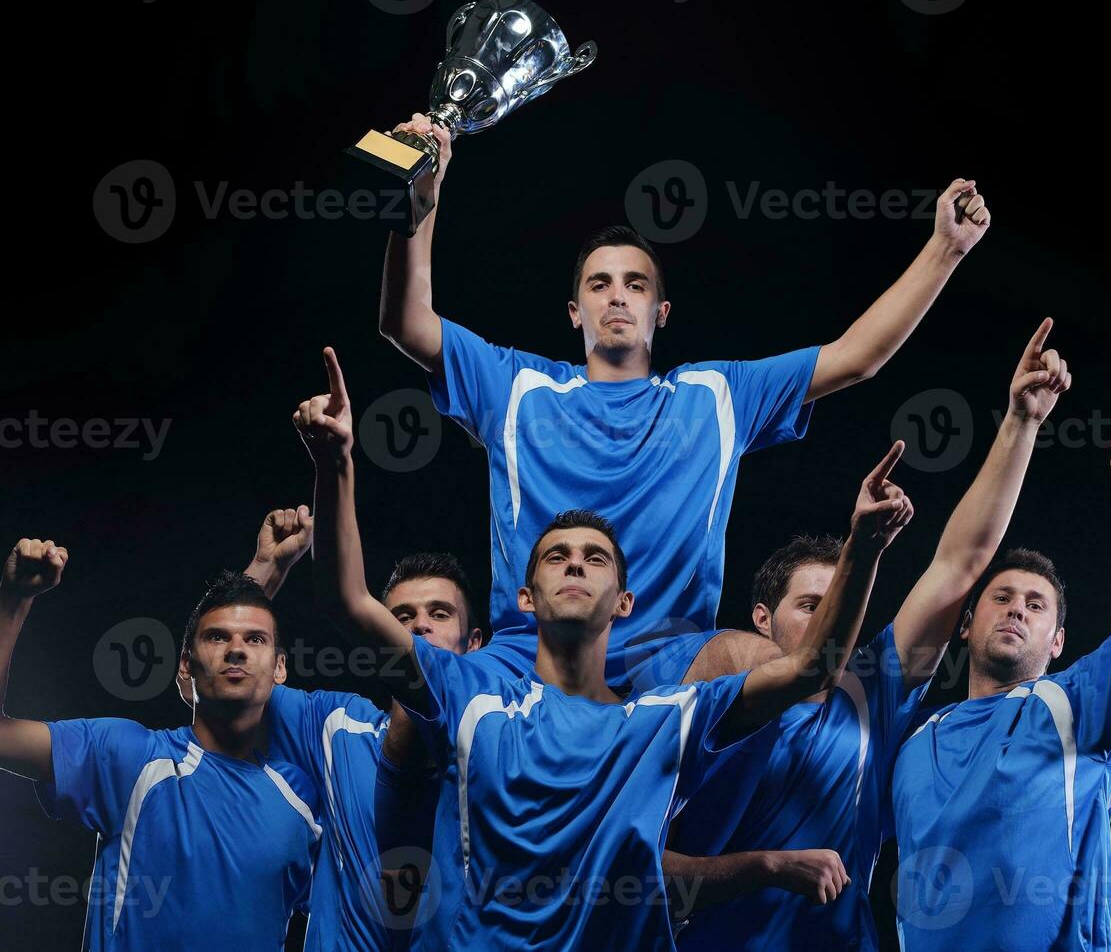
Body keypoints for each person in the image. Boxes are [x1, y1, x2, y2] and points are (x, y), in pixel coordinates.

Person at [292, 344, 913, 949]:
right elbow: (348, 602)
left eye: (595, 559)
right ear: (525, 599)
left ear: (624, 602)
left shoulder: (661, 722)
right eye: (556, 556)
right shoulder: (469, 695)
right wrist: (335, 463)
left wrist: (863, 547)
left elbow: (810, 669)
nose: (574, 565)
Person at [378, 113, 992, 690]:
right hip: (530, 648)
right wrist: (417, 208)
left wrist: (946, 249)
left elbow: (857, 356)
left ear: (660, 312)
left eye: (635, 284)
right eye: (600, 284)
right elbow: (407, 324)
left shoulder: (716, 395)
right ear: (575, 312)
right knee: (426, 693)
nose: (617, 296)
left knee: (777, 669)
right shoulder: (516, 387)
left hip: (670, 653)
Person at [666, 320, 1072, 950]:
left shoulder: (870, 691)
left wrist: (1022, 421)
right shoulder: (714, 693)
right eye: (808, 604)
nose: (832, 619)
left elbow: (960, 563)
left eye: (843, 601)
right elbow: (636, 870)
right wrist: (765, 868)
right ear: (763, 618)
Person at [890, 422, 1111, 950]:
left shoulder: (1076, 703)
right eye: (1002, 597)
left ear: (1058, 640)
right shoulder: (911, 741)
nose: (1017, 606)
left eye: (1035, 605)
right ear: (965, 624)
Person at [0, 542, 321, 952]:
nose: (237, 648)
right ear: (185, 666)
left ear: (280, 668)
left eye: (256, 639)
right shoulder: (130, 757)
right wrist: (13, 599)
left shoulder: (302, 798)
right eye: (218, 637)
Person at [240, 506, 483, 952]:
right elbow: (228, 689)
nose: (419, 626)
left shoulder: (507, 751)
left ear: (474, 645)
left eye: (440, 613)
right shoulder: (339, 729)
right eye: (401, 617)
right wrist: (265, 571)